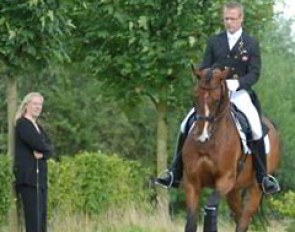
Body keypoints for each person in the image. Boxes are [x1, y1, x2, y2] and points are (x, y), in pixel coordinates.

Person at [154, 2, 280, 195]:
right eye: (226, 19)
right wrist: (209, 80)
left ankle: (263, 177)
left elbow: (254, 73)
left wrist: (236, 84)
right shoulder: (214, 41)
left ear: (241, 18)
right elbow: (206, 66)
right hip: (214, 94)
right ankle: (174, 172)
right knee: (185, 124)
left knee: (255, 127)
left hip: (239, 93)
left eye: (232, 18)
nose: (228, 22)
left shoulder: (251, 43)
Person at [14, 92, 53, 232]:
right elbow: (40, 145)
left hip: (40, 179)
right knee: (34, 222)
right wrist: (43, 149)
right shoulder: (23, 124)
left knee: (42, 221)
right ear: (26, 105)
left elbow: (49, 148)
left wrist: (42, 153)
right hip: (29, 180)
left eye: (40, 104)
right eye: (35, 104)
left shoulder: (39, 127)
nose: (38, 107)